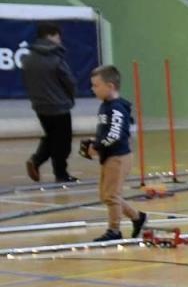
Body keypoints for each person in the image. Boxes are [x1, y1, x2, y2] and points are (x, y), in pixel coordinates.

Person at [81, 65, 147, 243]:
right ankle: (137, 217)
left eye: (96, 85)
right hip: (109, 156)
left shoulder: (116, 108)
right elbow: (106, 131)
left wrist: (98, 145)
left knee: (112, 195)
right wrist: (96, 141)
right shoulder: (106, 106)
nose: (93, 89)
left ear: (110, 86)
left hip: (118, 157)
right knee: (107, 195)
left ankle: (114, 230)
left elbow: (115, 135)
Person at [21, 23, 79, 184]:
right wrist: (70, 97)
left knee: (52, 137)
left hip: (39, 106)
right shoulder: (56, 57)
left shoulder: (28, 58)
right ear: (51, 36)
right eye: (58, 37)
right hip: (59, 106)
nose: (60, 41)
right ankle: (61, 174)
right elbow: (69, 81)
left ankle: (37, 161)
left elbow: (26, 82)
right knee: (63, 142)